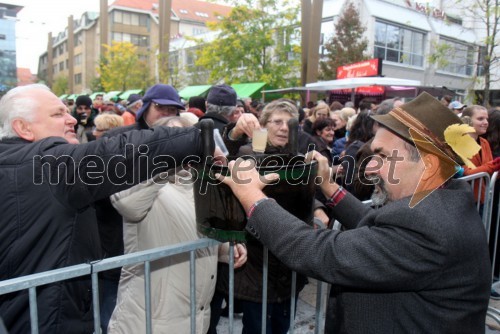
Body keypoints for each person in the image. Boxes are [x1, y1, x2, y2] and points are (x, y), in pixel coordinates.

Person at [217, 92, 492, 333]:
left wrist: (251, 195)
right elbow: (374, 230)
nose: (371, 168)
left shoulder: (429, 228)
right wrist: (328, 186)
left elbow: (320, 252)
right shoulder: (440, 205)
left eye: (384, 157)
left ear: (430, 166)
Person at [0, 84, 214, 333]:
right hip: (46, 318)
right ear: (23, 128)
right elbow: (116, 153)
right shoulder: (46, 164)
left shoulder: (14, 163)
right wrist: (196, 139)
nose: (71, 118)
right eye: (57, 114)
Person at [107, 116, 247, 334]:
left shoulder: (200, 184)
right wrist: (170, 160)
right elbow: (127, 203)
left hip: (196, 319)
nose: (183, 147)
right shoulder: (142, 181)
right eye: (175, 140)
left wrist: (225, 248)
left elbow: (196, 233)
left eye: (187, 139)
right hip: (150, 321)